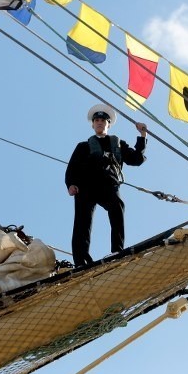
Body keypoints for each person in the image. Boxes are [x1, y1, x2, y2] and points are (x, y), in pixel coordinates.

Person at [65, 104, 147, 268]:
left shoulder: (117, 144)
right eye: (96, 120)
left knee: (117, 207)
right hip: (86, 186)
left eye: (103, 120)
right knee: (82, 221)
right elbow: (72, 167)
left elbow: (136, 159)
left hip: (108, 184)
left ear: (108, 124)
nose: (100, 122)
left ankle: (117, 251)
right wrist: (71, 184)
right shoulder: (84, 146)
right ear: (93, 124)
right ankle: (81, 261)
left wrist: (142, 134)